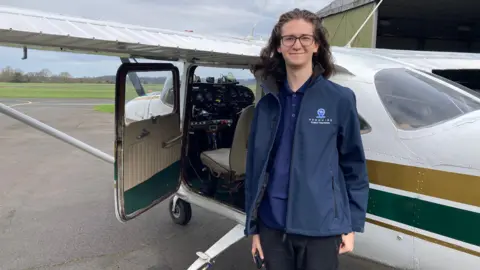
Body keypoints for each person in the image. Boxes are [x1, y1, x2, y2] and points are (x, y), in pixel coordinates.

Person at [244, 8, 369, 270]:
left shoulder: (340, 99)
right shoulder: (266, 105)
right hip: (272, 226)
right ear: (278, 47)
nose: (296, 44)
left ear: (316, 45)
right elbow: (255, 170)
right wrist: (254, 227)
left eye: (305, 38)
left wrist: (350, 224)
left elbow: (354, 165)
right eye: (288, 38)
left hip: (321, 228)